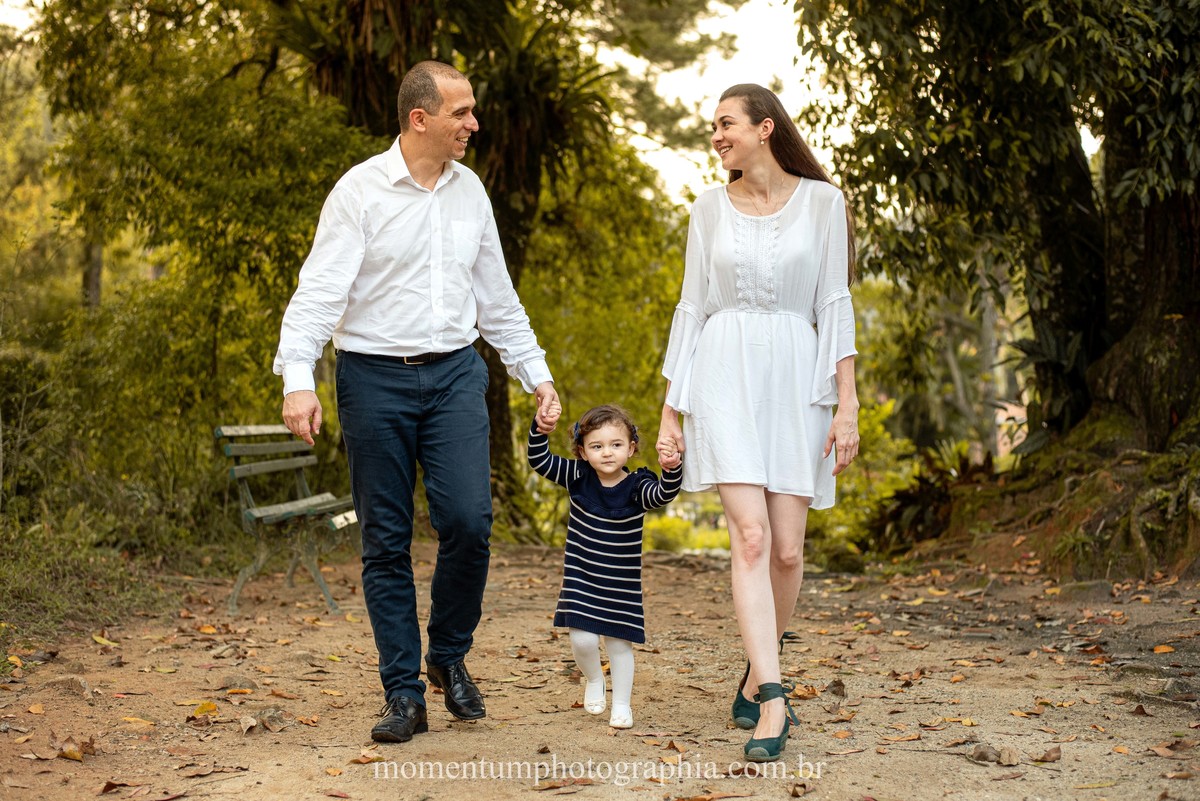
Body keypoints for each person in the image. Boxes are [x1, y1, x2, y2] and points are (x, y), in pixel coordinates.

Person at [273, 60, 560, 744]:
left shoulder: (470, 192)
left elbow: (497, 297)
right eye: (462, 112)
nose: (474, 123)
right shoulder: (360, 191)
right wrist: (298, 377)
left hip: (456, 373)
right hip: (372, 379)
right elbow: (319, 292)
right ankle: (403, 691)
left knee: (470, 520)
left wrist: (536, 374)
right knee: (386, 540)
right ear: (419, 118)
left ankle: (448, 654)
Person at [656, 83, 860, 762]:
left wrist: (848, 403)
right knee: (749, 537)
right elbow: (691, 307)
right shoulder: (708, 208)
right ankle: (773, 698)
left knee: (787, 550)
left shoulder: (824, 203)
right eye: (713, 126)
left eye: (726, 123)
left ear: (765, 128)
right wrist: (671, 410)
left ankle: (752, 672)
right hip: (724, 372)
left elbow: (834, 303)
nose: (716, 136)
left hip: (798, 378)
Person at [527, 404, 683, 729]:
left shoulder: (638, 486)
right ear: (583, 452)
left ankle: (622, 705)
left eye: (616, 444)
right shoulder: (578, 476)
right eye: (597, 446)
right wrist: (540, 429)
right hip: (581, 578)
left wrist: (671, 469)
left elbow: (662, 495)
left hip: (620, 585)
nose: (607, 453)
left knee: (619, 645)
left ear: (631, 448)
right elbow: (540, 460)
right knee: (582, 641)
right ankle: (594, 679)